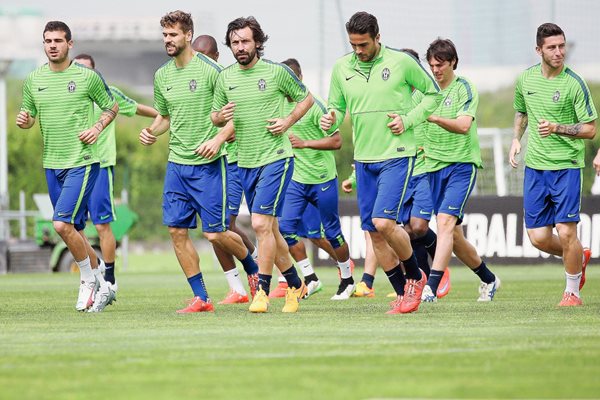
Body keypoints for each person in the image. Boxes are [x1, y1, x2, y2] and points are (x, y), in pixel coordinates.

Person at [321, 12, 441, 314]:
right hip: (363, 159)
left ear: (377, 37)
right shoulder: (341, 68)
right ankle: (404, 294)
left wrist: (409, 119)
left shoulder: (401, 62)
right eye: (353, 45)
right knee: (373, 233)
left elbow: (433, 94)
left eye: (363, 44)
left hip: (397, 155)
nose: (358, 51)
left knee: (384, 222)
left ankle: (415, 275)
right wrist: (330, 118)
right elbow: (335, 105)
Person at [139, 10, 259, 313]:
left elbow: (237, 116)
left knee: (215, 233)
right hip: (177, 165)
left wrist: (217, 140)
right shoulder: (162, 75)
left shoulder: (213, 71)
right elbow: (165, 117)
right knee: (176, 232)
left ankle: (253, 267)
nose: (168, 40)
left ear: (188, 35)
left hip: (209, 166)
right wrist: (152, 131)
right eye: (165, 35)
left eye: (173, 35)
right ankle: (202, 298)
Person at [211, 16, 314, 313]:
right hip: (243, 161)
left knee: (259, 225)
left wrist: (288, 121)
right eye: (234, 42)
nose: (240, 47)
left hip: (276, 158)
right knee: (271, 230)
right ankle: (296, 283)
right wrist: (220, 117)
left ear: (257, 42)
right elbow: (215, 116)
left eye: (245, 41)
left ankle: (263, 291)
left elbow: (306, 99)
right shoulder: (225, 77)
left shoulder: (276, 72)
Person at [17, 21, 119, 312]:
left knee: (60, 224)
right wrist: (25, 121)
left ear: (69, 44)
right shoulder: (33, 79)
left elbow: (112, 106)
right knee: (73, 229)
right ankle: (104, 282)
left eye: (58, 40)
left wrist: (97, 127)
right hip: (52, 164)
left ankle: (87, 279)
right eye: (47, 40)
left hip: (83, 161)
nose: (52, 45)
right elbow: (29, 115)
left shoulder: (87, 77)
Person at [509, 23, 596, 306]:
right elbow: (522, 112)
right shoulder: (526, 80)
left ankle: (572, 292)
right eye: (552, 47)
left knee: (566, 230)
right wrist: (515, 140)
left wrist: (558, 127)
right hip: (535, 167)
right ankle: (578, 254)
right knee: (538, 238)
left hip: (567, 166)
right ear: (539, 50)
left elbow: (590, 129)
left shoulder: (574, 83)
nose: (559, 52)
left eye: (562, 46)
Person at [418, 38, 500, 303]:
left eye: (440, 64)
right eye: (431, 65)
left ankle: (430, 286)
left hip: (461, 165)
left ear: (453, 61)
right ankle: (489, 279)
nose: (435, 69)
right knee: (453, 235)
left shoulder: (465, 88)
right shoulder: (423, 91)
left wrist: (434, 117)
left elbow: (464, 125)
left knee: (443, 223)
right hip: (432, 167)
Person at [72, 53, 158, 295]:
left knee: (102, 225)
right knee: (71, 227)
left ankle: (109, 276)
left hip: (100, 165)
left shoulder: (108, 94)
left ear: (96, 72)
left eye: (87, 69)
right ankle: (93, 270)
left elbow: (137, 108)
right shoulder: (68, 94)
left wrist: (164, 116)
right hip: (73, 165)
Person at [278, 57, 355, 300]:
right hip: (296, 180)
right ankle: (310, 278)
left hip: (322, 178)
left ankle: (347, 279)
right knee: (286, 228)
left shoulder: (316, 106)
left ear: (299, 80)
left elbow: (336, 141)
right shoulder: (279, 105)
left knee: (332, 232)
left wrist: (305, 144)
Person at [191, 34, 259, 304]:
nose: (202, 63)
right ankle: (238, 288)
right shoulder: (193, 83)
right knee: (214, 229)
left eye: (206, 56)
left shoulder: (227, 80)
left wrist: (223, 135)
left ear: (217, 57)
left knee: (223, 226)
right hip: (205, 165)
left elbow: (240, 117)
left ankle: (257, 272)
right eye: (197, 57)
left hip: (231, 161)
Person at [396, 48, 449, 298]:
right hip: (401, 169)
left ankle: (441, 265)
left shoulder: (427, 97)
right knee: (407, 230)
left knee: (417, 226)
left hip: (425, 170)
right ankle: (424, 279)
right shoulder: (396, 98)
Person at [272, 203, 339, 298]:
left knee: (316, 236)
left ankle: (344, 267)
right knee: (283, 231)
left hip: (307, 190)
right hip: (287, 191)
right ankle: (304, 279)